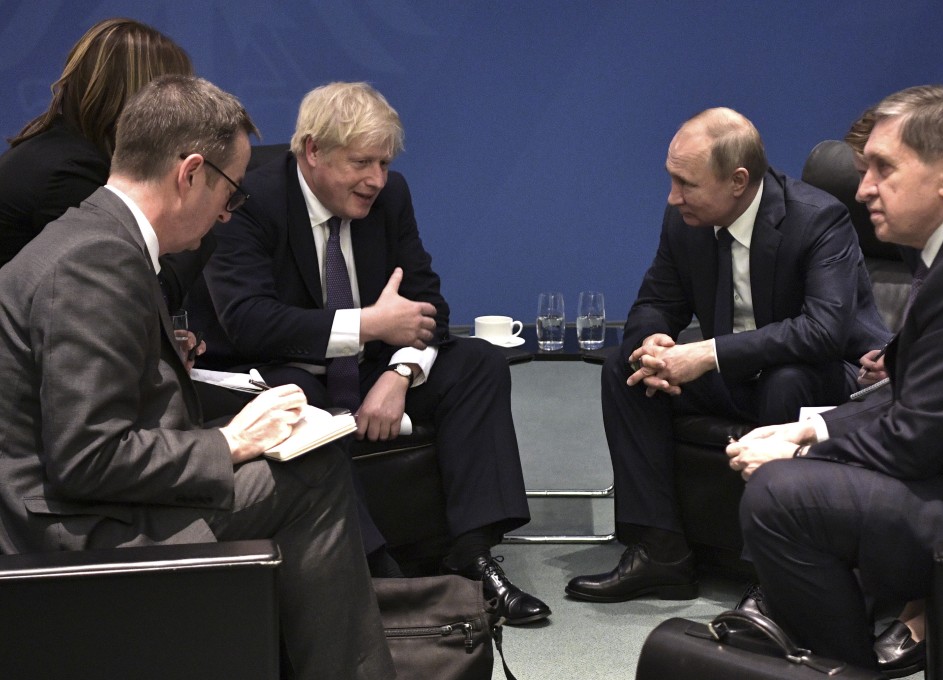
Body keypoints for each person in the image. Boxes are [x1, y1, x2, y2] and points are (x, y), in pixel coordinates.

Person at [0, 74, 394, 680]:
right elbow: (86, 457)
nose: (228, 216)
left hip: (69, 507)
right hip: (72, 535)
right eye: (230, 194)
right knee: (312, 473)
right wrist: (230, 443)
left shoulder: (91, 236)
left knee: (305, 460)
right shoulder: (97, 263)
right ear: (189, 174)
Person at [194, 81, 550, 626]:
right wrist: (368, 326)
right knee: (298, 401)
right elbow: (248, 320)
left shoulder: (391, 196)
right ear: (312, 151)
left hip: (370, 367)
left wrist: (401, 372)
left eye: (384, 163)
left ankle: (472, 555)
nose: (376, 180)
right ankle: (376, 577)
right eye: (362, 162)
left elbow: (427, 298)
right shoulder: (252, 203)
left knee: (477, 363)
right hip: (282, 371)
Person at [727, 84, 943, 670]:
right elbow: (913, 393)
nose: (863, 190)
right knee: (797, 465)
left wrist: (807, 452)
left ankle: (843, 667)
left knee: (779, 498)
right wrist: (807, 432)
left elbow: (915, 437)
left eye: (883, 169)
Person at [565, 107, 890, 603]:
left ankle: (772, 573)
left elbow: (822, 331)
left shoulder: (818, 218)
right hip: (738, 377)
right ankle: (660, 552)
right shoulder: (685, 221)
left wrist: (707, 354)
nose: (673, 197)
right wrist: (651, 344)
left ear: (738, 180)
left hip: (826, 379)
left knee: (787, 378)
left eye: (686, 184)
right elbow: (656, 302)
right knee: (624, 370)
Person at [0, 17, 211, 313]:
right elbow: (138, 297)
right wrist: (201, 216)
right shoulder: (72, 176)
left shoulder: (55, 152)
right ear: (146, 102)